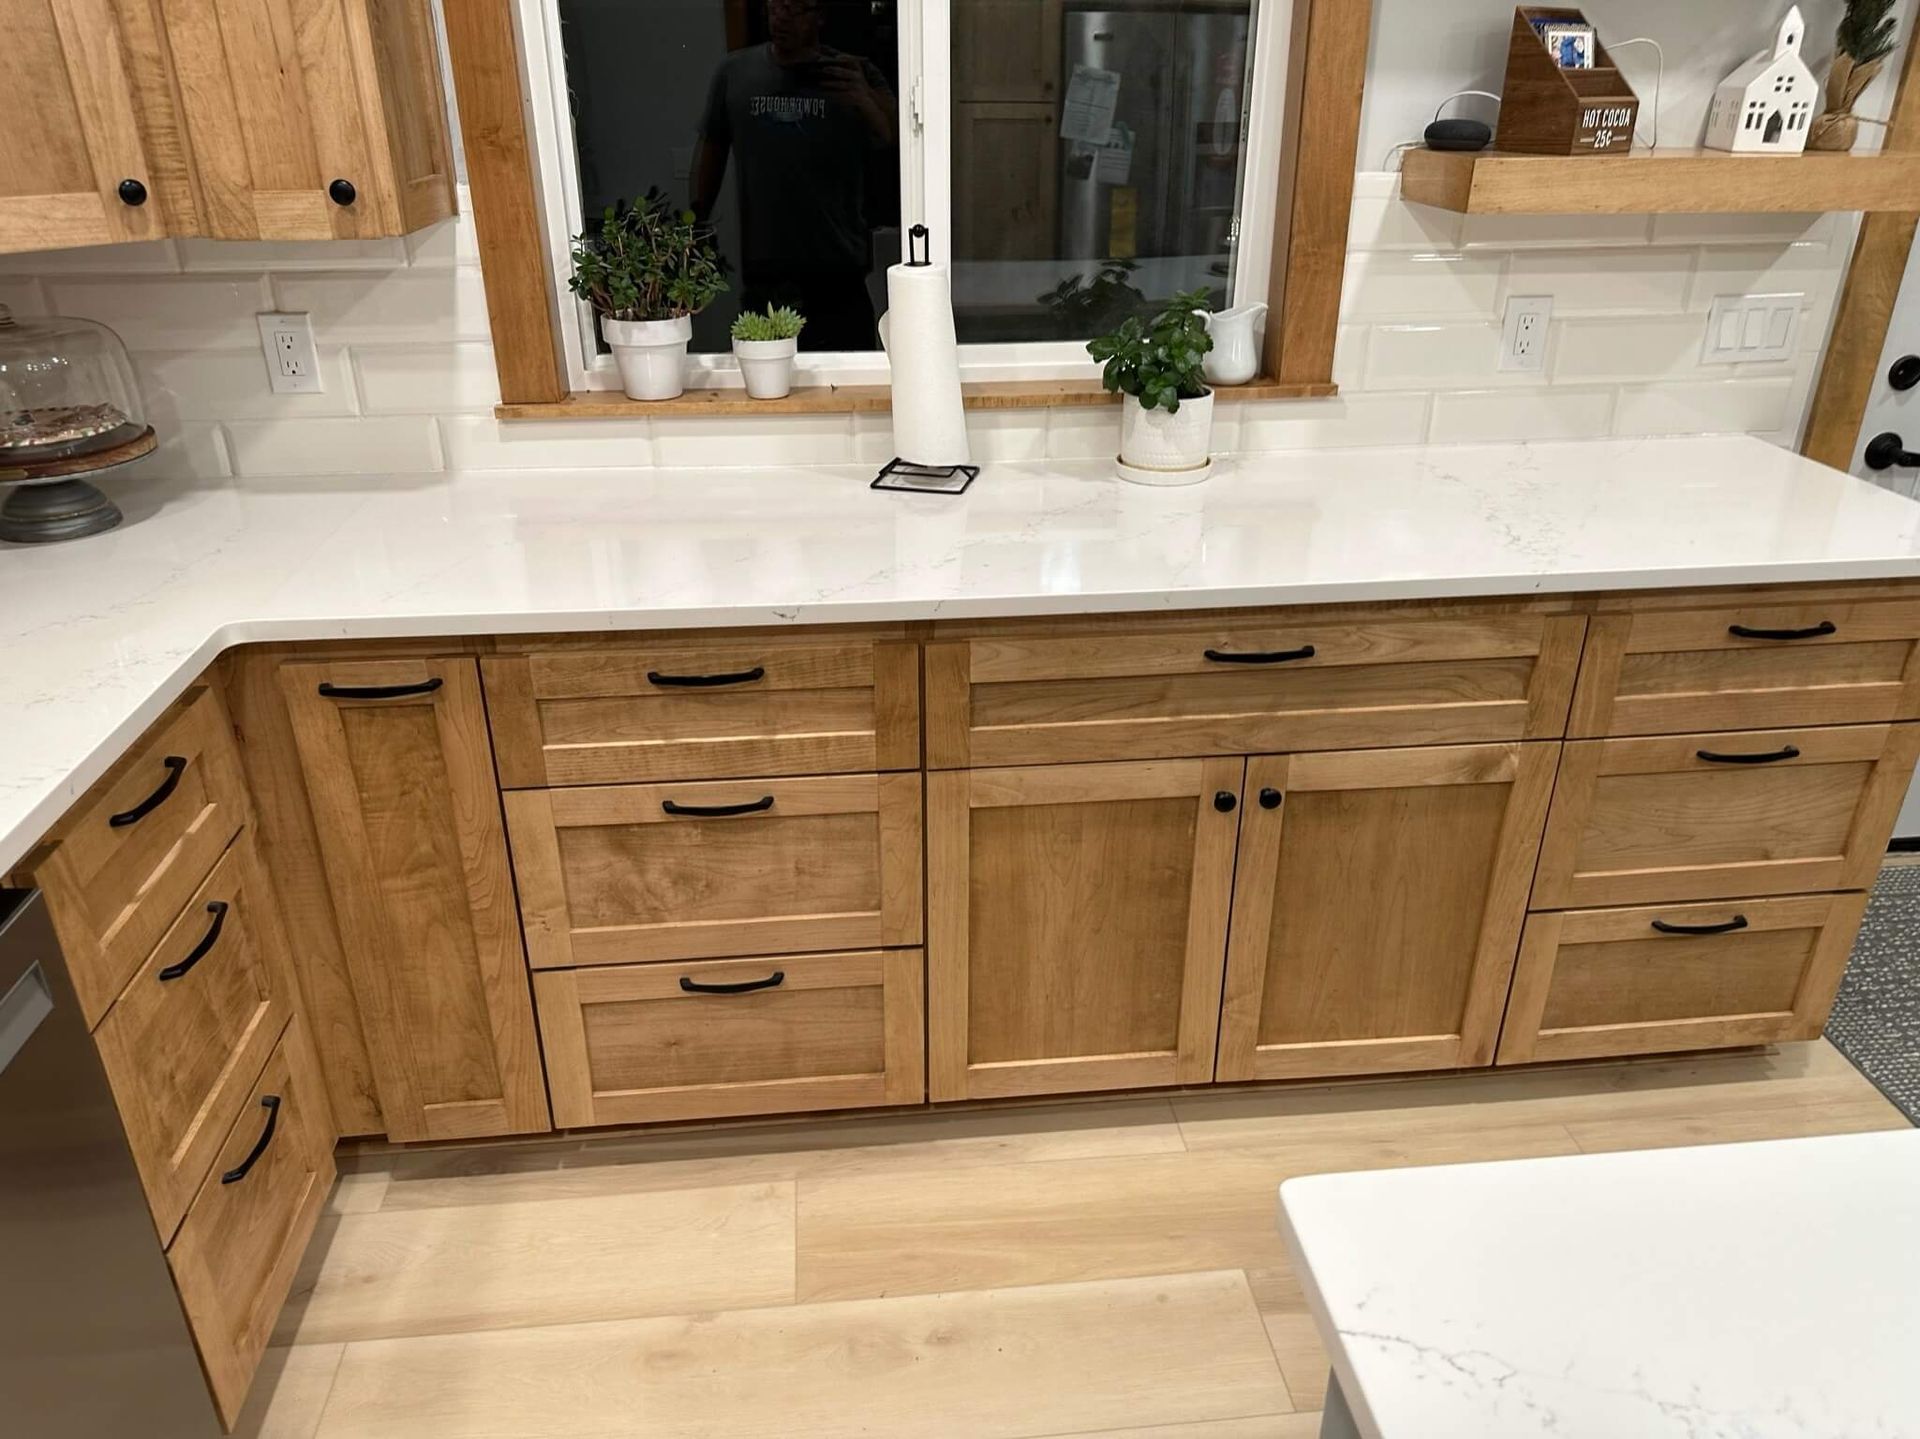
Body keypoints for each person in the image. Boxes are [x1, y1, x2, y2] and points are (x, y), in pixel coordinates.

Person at [691, 0, 896, 351]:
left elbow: (897, 141)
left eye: (795, 8)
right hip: (766, 274)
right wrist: (696, 224)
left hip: (839, 272)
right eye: (775, 6)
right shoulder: (735, 74)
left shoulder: (855, 72)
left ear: (819, 16)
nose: (781, 18)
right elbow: (712, 149)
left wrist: (863, 98)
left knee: (848, 378)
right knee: (765, 376)